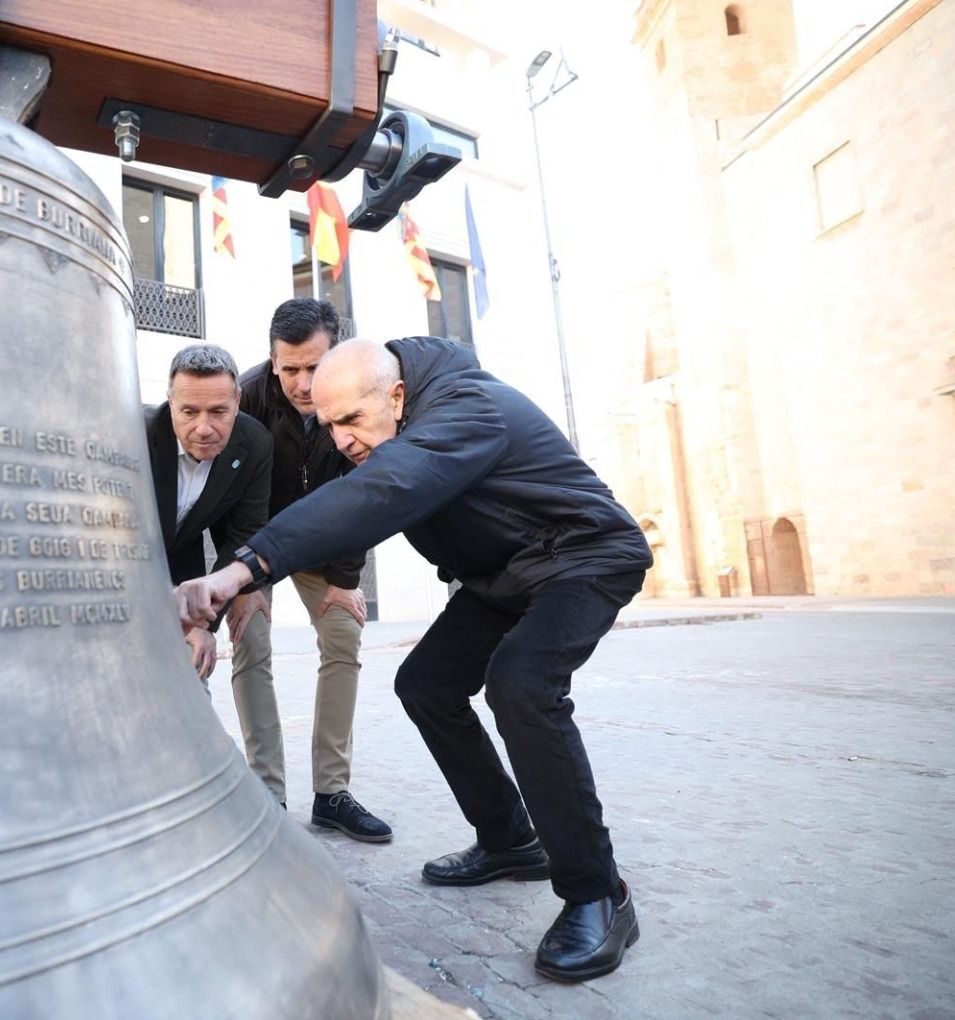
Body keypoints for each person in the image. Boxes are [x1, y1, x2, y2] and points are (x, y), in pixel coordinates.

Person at [176, 337, 654, 982]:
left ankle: (600, 893)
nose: (342, 440)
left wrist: (244, 569)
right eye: (329, 425)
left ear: (396, 396)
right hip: (501, 572)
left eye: (351, 421)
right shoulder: (390, 423)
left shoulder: (467, 407)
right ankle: (511, 839)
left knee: (522, 684)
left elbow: (384, 491)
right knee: (426, 684)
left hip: (584, 555)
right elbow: (348, 506)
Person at [227, 298, 392, 841]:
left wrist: (346, 581)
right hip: (259, 541)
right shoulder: (246, 397)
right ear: (273, 360)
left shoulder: (356, 396)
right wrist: (247, 579)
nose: (302, 382)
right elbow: (230, 497)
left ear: (336, 355)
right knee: (251, 639)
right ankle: (267, 792)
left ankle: (332, 792)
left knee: (344, 633)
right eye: (289, 368)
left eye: (314, 367)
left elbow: (366, 495)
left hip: (326, 542)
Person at [145, 344, 272, 685]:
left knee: (192, 674)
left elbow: (244, 537)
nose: (203, 428)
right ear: (170, 403)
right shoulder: (135, 434)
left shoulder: (255, 443)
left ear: (237, 403)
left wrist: (202, 623)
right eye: (189, 412)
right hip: (128, 573)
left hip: (189, 573)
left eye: (218, 412)